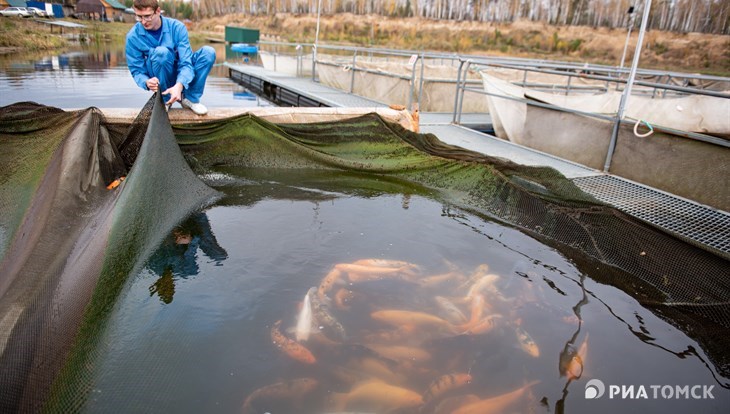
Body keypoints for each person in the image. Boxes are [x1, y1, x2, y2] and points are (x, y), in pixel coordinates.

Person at [125, 0, 215, 115]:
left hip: (181, 75)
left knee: (208, 53)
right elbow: (137, 70)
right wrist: (146, 82)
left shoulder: (177, 28)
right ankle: (165, 100)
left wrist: (179, 85)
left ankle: (189, 98)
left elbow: (186, 63)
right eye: (139, 17)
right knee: (161, 53)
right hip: (160, 77)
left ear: (158, 11)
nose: (143, 22)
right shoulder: (132, 37)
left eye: (147, 16)